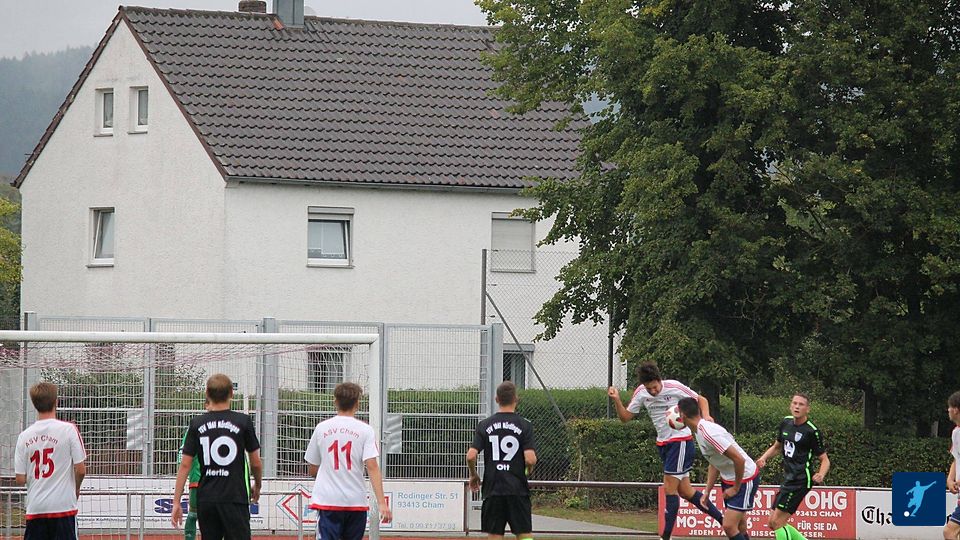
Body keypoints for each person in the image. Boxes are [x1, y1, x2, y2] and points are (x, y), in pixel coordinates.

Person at [607, 362, 724, 539]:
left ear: (659, 380)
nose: (653, 391)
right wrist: (616, 399)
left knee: (669, 488)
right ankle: (724, 521)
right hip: (663, 444)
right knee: (686, 492)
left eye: (655, 387)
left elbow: (701, 399)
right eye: (649, 389)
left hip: (680, 442)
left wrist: (706, 416)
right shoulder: (641, 393)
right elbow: (625, 418)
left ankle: (665, 537)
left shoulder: (674, 387)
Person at [171, 374, 263, 540]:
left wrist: (176, 501)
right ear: (232, 393)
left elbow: (185, 465)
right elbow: (255, 462)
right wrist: (258, 484)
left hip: (207, 498)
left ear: (207, 393)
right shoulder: (243, 421)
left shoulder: (197, 424)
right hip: (235, 497)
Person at [304, 382, 392, 540]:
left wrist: (327, 473)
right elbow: (372, 466)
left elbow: (312, 467)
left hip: (328, 500)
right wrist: (381, 503)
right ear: (357, 403)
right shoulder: (366, 430)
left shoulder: (322, 428)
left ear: (335, 402)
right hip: (355, 501)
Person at [677, 396, 758, 540]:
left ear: (682, 415)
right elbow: (714, 462)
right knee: (740, 526)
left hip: (745, 478)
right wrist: (707, 492)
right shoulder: (699, 431)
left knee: (729, 526)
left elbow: (739, 459)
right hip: (729, 479)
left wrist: (736, 488)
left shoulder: (708, 433)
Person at [14, 382, 87, 540]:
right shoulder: (69, 429)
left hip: (36, 508)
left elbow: (20, 479)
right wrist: (75, 488)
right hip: (63, 507)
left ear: (34, 404)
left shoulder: (24, 436)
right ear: (56, 402)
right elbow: (81, 470)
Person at [467, 381, 537, 540]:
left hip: (493, 489)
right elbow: (530, 459)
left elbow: (471, 455)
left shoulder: (484, 425)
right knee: (524, 533)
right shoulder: (525, 425)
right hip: (517, 489)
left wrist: (474, 474)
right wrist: (528, 469)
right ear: (516, 399)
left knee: (495, 534)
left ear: (496, 399)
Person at [755, 393, 830, 540]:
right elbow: (777, 447)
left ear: (807, 409)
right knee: (772, 522)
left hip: (801, 480)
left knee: (778, 522)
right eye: (794, 403)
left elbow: (825, 459)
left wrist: (821, 474)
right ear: (790, 405)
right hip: (788, 478)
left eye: (801, 404)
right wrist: (763, 458)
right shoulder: (786, 422)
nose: (797, 407)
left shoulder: (812, 431)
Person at [177, 398, 209, 540]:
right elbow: (182, 455)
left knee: (195, 515)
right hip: (204, 481)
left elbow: (182, 456)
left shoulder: (196, 427)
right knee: (198, 515)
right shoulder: (226, 427)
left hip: (200, 480)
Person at [944, 391, 960, 540]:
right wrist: (950, 479)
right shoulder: (956, 433)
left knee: (950, 532)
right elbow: (956, 458)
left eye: (949, 407)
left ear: (956, 409)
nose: (948, 410)